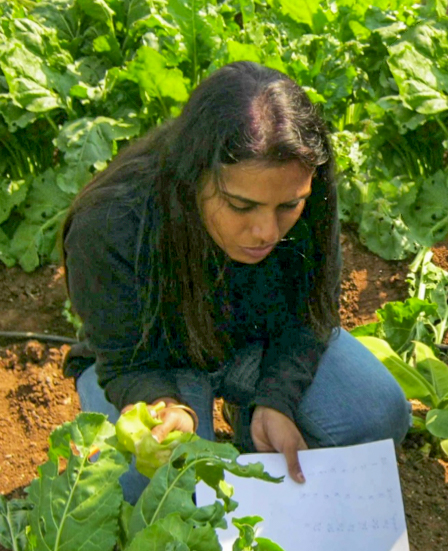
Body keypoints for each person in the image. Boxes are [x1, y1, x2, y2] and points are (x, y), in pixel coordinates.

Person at [62, 61, 412, 504]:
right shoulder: (111, 220)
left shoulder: (305, 181)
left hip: (257, 342)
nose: (267, 231)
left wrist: (277, 398)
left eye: (288, 206)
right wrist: (164, 406)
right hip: (154, 358)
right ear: (194, 177)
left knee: (376, 418)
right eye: (241, 206)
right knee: (150, 486)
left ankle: (248, 415)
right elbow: (126, 359)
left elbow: (310, 311)